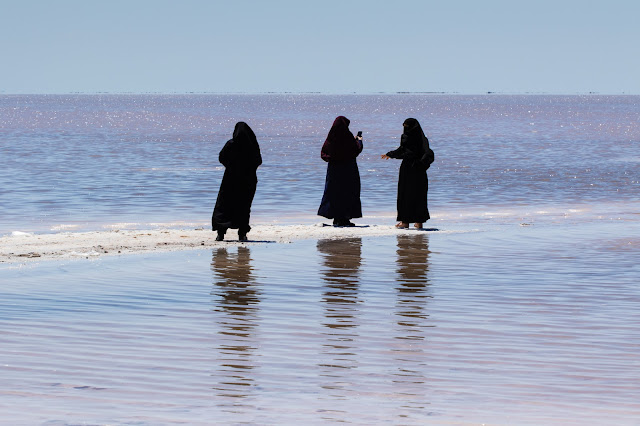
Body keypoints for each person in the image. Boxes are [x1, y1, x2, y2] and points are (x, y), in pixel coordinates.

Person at [212, 122, 262, 241]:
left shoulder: (231, 144)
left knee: (224, 204)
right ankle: (242, 234)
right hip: (248, 180)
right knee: (244, 206)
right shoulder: (252, 146)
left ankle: (221, 233)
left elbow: (221, 158)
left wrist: (231, 166)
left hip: (230, 179)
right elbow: (258, 161)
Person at [381, 118, 434, 229]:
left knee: (405, 195)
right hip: (419, 170)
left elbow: (403, 152)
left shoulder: (406, 138)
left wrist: (390, 154)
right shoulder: (423, 139)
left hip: (408, 169)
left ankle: (405, 222)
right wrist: (421, 164)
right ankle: (419, 222)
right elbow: (427, 153)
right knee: (419, 195)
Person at [317, 116, 364, 227]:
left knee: (334, 193)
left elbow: (324, 153)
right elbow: (356, 150)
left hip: (334, 170)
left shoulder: (331, 137)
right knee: (348, 192)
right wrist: (359, 141)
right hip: (348, 169)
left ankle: (336, 218)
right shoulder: (347, 137)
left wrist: (334, 158)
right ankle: (344, 219)